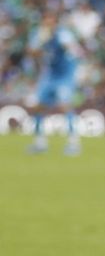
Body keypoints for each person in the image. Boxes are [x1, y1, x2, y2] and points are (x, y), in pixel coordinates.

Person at [25, 10, 83, 156]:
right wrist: (40, 42)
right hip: (49, 75)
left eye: (50, 20)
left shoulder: (63, 33)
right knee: (39, 107)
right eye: (45, 20)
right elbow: (31, 52)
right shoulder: (38, 34)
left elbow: (67, 46)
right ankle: (40, 143)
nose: (47, 23)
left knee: (64, 106)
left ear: (55, 22)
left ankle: (73, 143)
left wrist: (53, 39)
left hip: (64, 75)